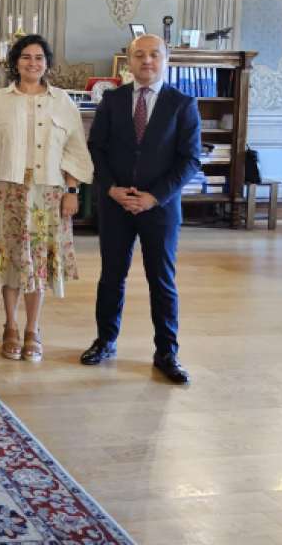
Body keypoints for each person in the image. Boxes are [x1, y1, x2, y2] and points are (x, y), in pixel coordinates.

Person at [82, 33, 201, 384]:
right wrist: (111, 188)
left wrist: (154, 197)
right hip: (116, 204)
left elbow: (190, 159)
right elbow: (97, 148)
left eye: (154, 55)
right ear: (129, 61)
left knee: (161, 280)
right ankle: (105, 341)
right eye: (139, 55)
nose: (147, 61)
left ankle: (167, 352)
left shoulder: (182, 104)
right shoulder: (112, 100)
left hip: (159, 208)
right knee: (111, 277)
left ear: (166, 59)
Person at [0, 35, 92, 362]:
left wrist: (72, 190)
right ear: (16, 63)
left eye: (39, 58)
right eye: (26, 57)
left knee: (37, 264)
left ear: (47, 63)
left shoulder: (63, 102)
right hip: (6, 192)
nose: (32, 63)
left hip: (47, 195)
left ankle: (33, 330)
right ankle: (10, 325)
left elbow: (76, 150)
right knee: (10, 261)